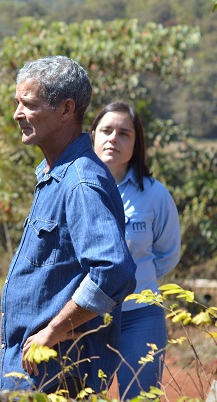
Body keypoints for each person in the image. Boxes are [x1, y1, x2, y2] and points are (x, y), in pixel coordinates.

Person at [0, 56, 136, 396]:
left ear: (66, 109)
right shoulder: (54, 175)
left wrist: (53, 331)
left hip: (57, 373)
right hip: (36, 370)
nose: (17, 114)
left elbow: (114, 271)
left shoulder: (80, 182)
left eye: (28, 105)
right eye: (17, 103)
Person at [90, 101, 181, 398]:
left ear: (136, 142)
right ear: (92, 136)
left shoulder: (155, 194)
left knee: (139, 395)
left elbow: (167, 254)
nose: (113, 138)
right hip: (84, 317)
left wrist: (134, 281)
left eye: (124, 133)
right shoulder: (74, 188)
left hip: (140, 316)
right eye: (106, 130)